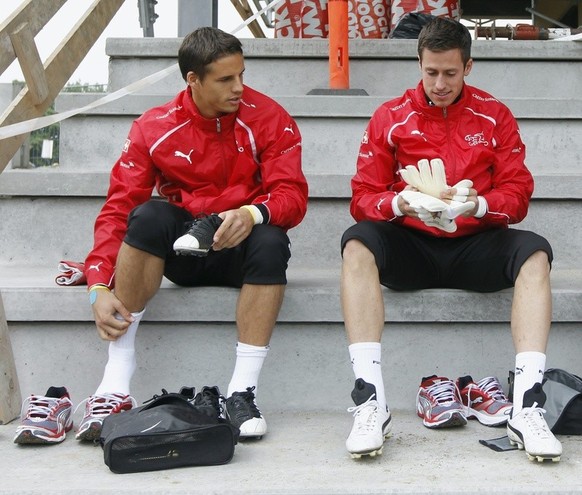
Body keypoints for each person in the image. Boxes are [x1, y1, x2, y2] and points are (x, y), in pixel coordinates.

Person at [340, 17, 562, 462]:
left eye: (450, 73)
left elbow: (517, 193)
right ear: (419, 63)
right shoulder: (391, 116)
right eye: (430, 72)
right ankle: (370, 401)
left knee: (535, 252)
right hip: (413, 245)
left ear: (469, 67)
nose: (440, 84)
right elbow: (363, 195)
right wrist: (399, 204)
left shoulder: (494, 115)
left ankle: (528, 407)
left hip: (475, 243)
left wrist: (478, 205)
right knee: (357, 243)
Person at [76, 27, 308, 442]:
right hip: (184, 254)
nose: (239, 87)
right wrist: (97, 283)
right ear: (193, 81)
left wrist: (255, 213)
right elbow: (118, 208)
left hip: (244, 249)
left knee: (273, 238)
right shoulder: (153, 127)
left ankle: (242, 391)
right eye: (225, 79)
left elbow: (292, 194)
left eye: (241, 75)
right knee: (147, 217)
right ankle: (115, 379)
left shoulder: (270, 117)